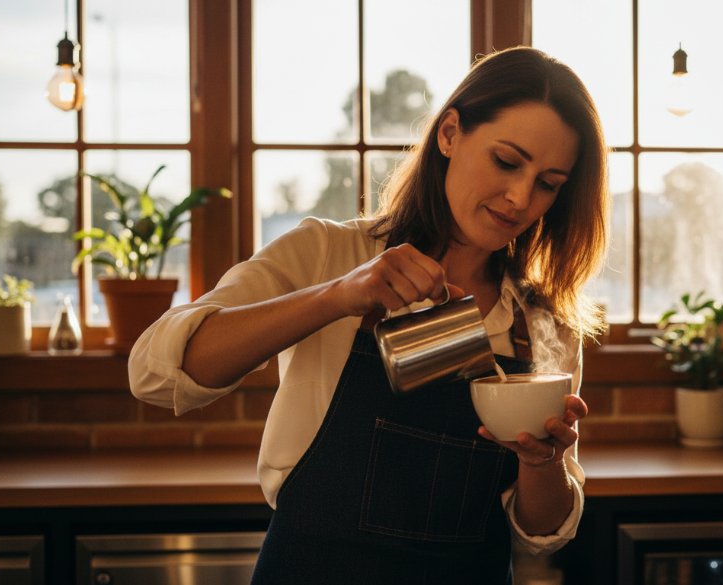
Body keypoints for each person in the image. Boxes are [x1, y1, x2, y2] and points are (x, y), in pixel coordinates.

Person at [128, 45, 609, 584]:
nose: (521, 198)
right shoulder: (325, 254)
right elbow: (154, 373)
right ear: (449, 133)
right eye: (506, 161)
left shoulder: (544, 321)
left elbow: (540, 534)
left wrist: (542, 463)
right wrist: (337, 295)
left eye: (548, 183)